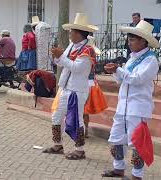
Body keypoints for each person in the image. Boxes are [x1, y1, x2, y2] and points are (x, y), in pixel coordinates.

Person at [102, 20, 159, 180]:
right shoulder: (132, 58)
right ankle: (119, 168)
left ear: (143, 40)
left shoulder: (150, 60)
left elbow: (137, 79)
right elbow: (123, 81)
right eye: (129, 39)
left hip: (138, 107)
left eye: (132, 39)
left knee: (137, 143)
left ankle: (137, 175)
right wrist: (115, 71)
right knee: (116, 137)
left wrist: (119, 70)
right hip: (124, 105)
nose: (129, 42)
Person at [43, 13, 98, 160]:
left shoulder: (88, 50)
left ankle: (79, 150)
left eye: (72, 31)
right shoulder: (72, 46)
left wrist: (61, 57)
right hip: (65, 88)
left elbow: (77, 68)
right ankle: (57, 145)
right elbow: (61, 63)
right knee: (56, 116)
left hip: (77, 90)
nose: (70, 33)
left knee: (77, 119)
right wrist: (57, 56)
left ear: (80, 33)